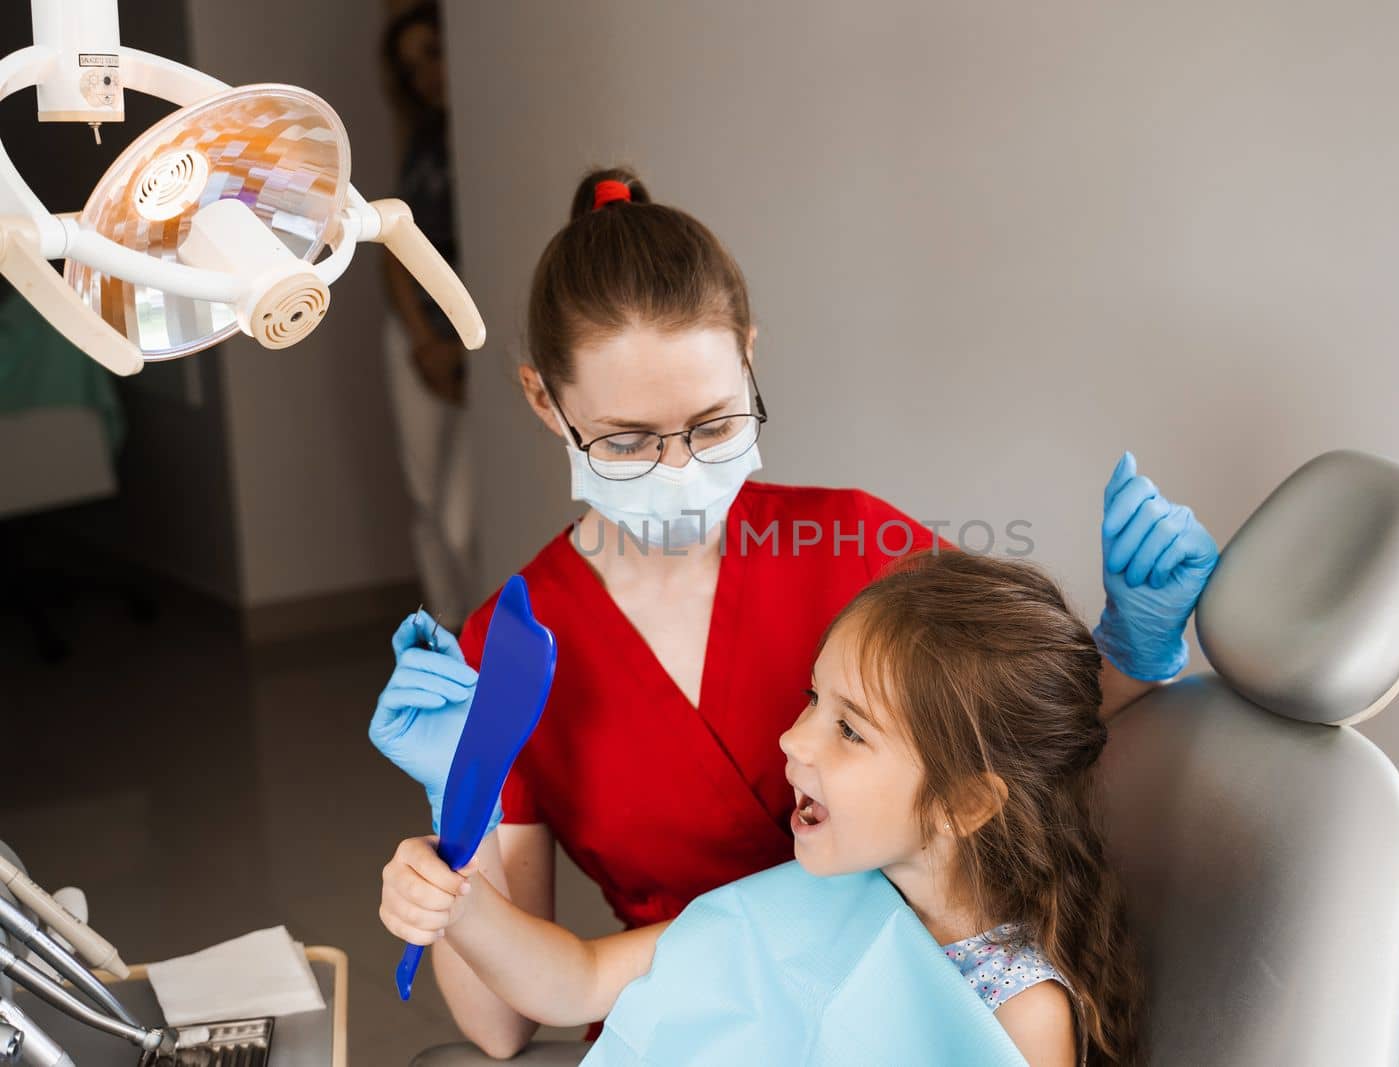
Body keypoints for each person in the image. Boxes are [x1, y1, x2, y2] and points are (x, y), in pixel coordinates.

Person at [369, 166, 1214, 1057]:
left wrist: (1132, 643)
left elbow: (1012, 733)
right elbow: (506, 1021)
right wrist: (457, 806)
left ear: (750, 359)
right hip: (691, 1011)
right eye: (626, 441)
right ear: (547, 401)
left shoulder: (855, 543)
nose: (680, 469)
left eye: (713, 424)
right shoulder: (512, 651)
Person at [382, 551, 1142, 1065]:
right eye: (814, 697)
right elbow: (575, 980)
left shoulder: (1020, 1012)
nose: (792, 737)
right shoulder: (808, 895)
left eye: (849, 728)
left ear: (965, 802)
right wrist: (454, 899)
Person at [378, 1, 475, 628]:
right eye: (411, 69)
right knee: (424, 499)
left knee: (459, 511)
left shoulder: (484, 136)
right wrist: (421, 339)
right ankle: (451, 642)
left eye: (433, 55)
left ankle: (483, 636)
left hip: (476, 336)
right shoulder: (421, 143)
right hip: (414, 331)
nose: (426, 77)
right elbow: (393, 246)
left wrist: (458, 345)